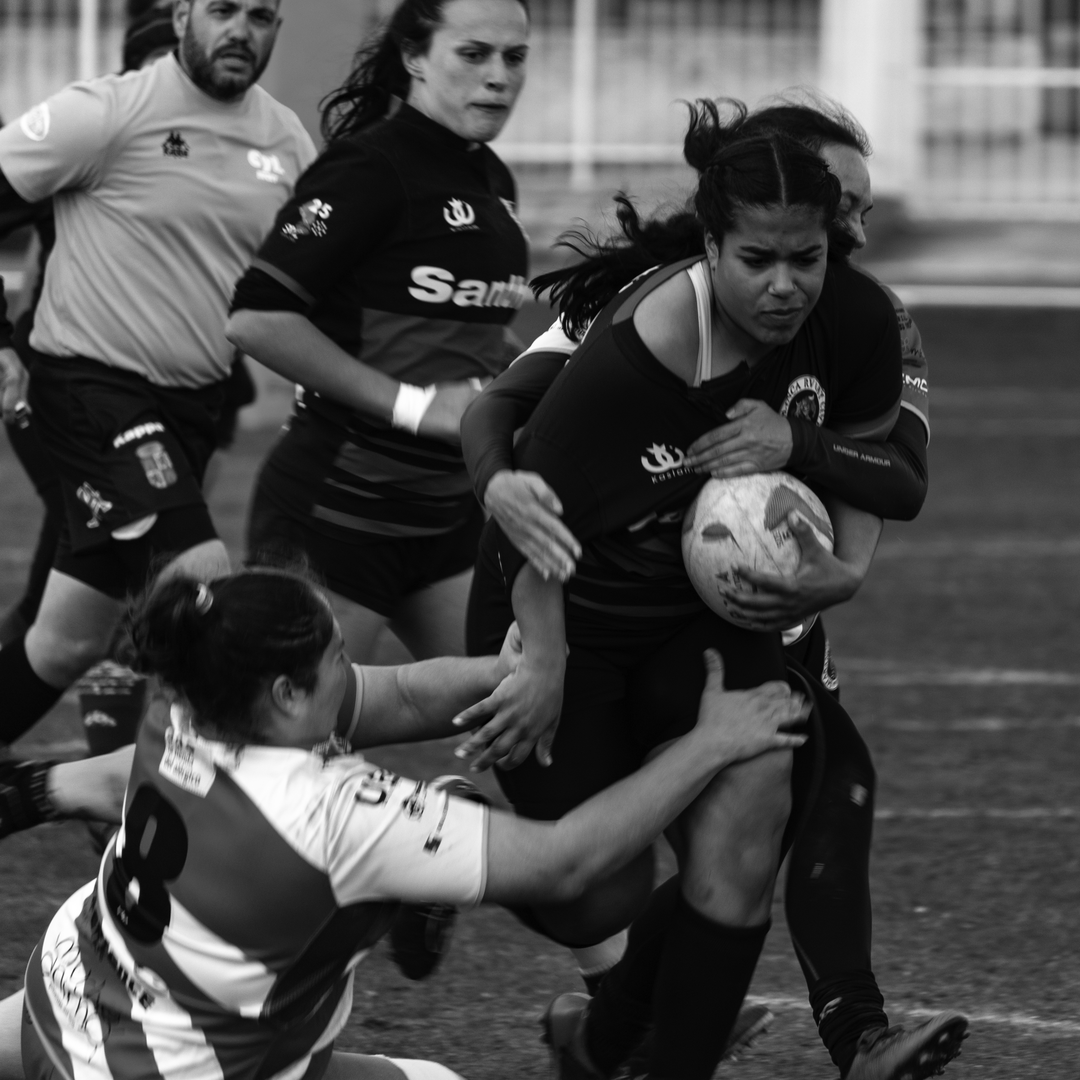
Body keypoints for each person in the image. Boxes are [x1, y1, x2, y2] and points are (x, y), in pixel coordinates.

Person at [458, 96, 956, 1080]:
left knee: (758, 795)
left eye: (809, 256)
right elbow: (526, 495)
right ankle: (436, 843)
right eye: (758, 260)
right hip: (568, 615)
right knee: (597, 889)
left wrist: (834, 553)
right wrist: (544, 656)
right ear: (713, 244)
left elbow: (885, 472)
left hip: (698, 619)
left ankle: (675, 1060)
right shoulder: (642, 340)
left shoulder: (862, 320)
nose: (785, 284)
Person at [0, 565, 809, 1080]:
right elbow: (565, 862)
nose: (350, 664)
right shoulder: (332, 813)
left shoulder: (187, 705)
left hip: (67, 983)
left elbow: (404, 694)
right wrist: (709, 745)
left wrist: (517, 673)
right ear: (285, 695)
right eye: (334, 656)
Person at [0, 0, 316, 748]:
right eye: (222, 10)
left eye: (261, 15)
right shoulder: (104, 113)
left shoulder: (287, 140)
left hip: (194, 406)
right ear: (181, 17)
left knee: (67, 642)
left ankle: (47, 794)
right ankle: (226, 794)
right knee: (207, 583)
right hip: (89, 388)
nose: (241, 30)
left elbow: (312, 276)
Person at [227, 0, 531, 665]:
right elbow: (257, 319)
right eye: (473, 54)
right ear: (414, 57)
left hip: (446, 517)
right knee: (284, 726)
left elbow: (463, 336)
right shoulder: (371, 168)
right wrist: (414, 406)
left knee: (524, 702)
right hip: (337, 515)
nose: (498, 76)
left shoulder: (492, 179)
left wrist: (528, 383)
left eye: (514, 58)